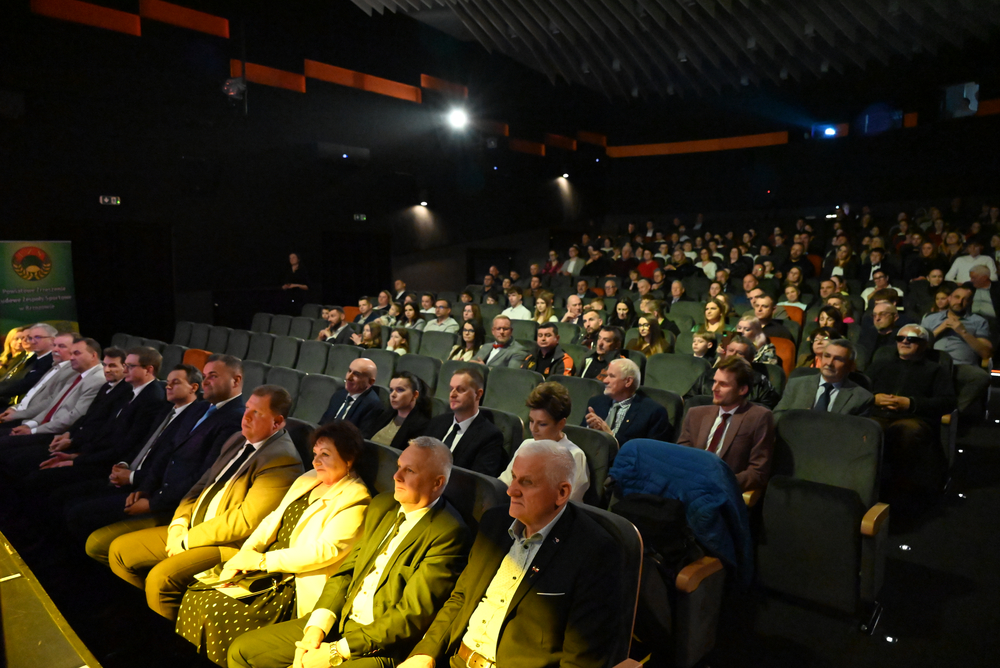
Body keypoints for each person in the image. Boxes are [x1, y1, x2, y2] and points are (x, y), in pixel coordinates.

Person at [228, 438, 472, 668]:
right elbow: (346, 573)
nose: (396, 476)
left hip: (381, 646)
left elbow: (410, 615)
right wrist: (317, 627)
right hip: (340, 622)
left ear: (437, 483)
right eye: (399, 467)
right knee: (241, 651)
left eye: (410, 471)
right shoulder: (383, 505)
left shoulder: (448, 532)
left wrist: (337, 651)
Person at [401, 440, 623, 668]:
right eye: (514, 477)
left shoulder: (595, 552)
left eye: (526, 482)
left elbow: (581, 659)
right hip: (455, 660)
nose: (510, 490)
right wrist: (426, 652)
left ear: (562, 492)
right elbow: (462, 596)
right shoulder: (494, 523)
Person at [175, 421, 370, 666]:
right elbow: (272, 519)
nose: (316, 461)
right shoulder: (309, 478)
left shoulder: (356, 496)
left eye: (326, 455)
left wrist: (261, 561)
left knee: (214, 610)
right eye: (315, 454)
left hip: (292, 581)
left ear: (349, 459)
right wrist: (246, 553)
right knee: (195, 594)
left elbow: (326, 551)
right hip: (261, 566)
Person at [107, 385, 304, 621]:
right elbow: (201, 485)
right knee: (118, 551)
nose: (246, 416)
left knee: (160, 579)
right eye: (247, 408)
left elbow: (245, 521)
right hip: (191, 528)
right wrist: (179, 523)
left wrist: (187, 540)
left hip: (227, 544)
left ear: (277, 422)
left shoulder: (282, 459)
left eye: (257, 413)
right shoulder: (237, 439)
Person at [76, 356, 247, 561]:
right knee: (78, 506)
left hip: (174, 505)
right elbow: (168, 450)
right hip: (153, 491)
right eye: (204, 376)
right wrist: (145, 489)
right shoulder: (200, 408)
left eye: (213, 376)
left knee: (84, 517)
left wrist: (154, 502)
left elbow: (205, 474)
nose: (205, 382)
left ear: (235, 380)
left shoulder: (236, 419)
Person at [865, 325, 956, 492]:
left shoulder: (936, 370)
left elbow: (948, 401)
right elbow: (859, 390)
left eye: (912, 339)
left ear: (925, 344)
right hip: (878, 414)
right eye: (901, 338)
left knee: (904, 431)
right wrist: (874, 398)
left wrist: (911, 403)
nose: (905, 342)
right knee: (866, 428)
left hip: (914, 418)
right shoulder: (879, 365)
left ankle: (899, 488)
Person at [677, 356, 775, 492]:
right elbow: (680, 456)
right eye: (714, 381)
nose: (714, 388)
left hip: (723, 491)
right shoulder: (695, 414)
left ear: (742, 390)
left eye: (723, 384)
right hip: (688, 486)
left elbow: (758, 472)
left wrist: (721, 483)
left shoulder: (759, 417)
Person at [498, 383, 589, 502]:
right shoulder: (526, 445)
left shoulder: (574, 456)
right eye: (531, 421)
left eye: (542, 424)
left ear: (561, 424)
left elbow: (567, 503)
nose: (533, 429)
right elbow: (503, 484)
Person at [0, 335, 104, 438]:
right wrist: (29, 425)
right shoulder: (74, 373)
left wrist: (32, 430)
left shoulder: (93, 378)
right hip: (39, 424)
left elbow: (74, 415)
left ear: (93, 356)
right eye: (54, 345)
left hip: (57, 434)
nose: (72, 357)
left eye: (76, 353)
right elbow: (53, 406)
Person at [423, 367, 506, 476]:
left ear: (478, 394)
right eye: (451, 389)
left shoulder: (490, 436)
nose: (452, 394)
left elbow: (478, 480)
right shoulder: (437, 422)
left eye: (460, 389)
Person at [583, 358, 673, 444]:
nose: (605, 380)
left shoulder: (652, 412)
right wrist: (589, 429)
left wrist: (611, 436)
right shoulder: (596, 402)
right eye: (606, 375)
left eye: (612, 376)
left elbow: (649, 450)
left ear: (628, 381)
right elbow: (581, 436)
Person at [775, 340, 874, 417]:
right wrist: (796, 418)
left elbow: (857, 433)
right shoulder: (796, 385)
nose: (829, 363)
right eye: (827, 356)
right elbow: (776, 417)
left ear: (850, 366)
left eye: (838, 359)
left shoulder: (862, 398)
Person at [365, 371, 432, 450]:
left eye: (400, 390)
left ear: (415, 394)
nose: (393, 395)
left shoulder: (422, 425)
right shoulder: (386, 415)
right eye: (391, 390)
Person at [0, 323, 58, 406]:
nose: (32, 341)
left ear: (52, 340)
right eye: (31, 338)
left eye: (38, 337)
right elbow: (14, 378)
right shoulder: (31, 358)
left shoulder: (53, 360)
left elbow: (27, 383)